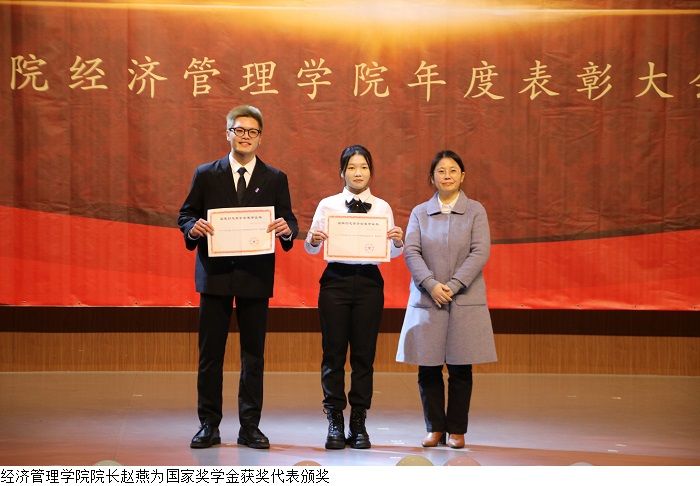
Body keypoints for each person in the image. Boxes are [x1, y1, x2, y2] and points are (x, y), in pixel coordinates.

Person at [178, 104, 298, 449]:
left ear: (260, 138)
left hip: (255, 277)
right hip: (215, 275)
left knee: (253, 356)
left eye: (252, 132)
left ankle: (250, 427)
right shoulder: (206, 174)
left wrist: (286, 229)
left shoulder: (275, 177)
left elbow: (289, 220)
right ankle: (208, 425)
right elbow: (186, 214)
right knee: (210, 356)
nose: (245, 137)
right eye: (239, 130)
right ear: (228, 133)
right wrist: (193, 227)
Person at [396, 149, 496, 449]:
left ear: (462, 176)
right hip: (428, 299)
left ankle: (457, 430)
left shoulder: (476, 210)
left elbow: (480, 251)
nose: (447, 176)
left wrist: (452, 285)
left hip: (464, 297)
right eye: (441, 171)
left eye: (453, 171)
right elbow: (411, 251)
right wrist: (430, 284)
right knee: (427, 367)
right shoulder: (419, 212)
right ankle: (435, 428)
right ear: (432, 178)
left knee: (460, 367)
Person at [305, 145, 404, 449]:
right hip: (335, 281)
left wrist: (398, 242)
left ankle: (358, 421)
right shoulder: (328, 205)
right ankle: (335, 419)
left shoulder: (382, 207)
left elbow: (391, 253)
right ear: (342, 172)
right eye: (352, 167)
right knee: (333, 353)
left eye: (363, 167)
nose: (358, 173)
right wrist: (313, 239)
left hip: (369, 283)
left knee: (364, 355)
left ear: (370, 172)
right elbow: (311, 248)